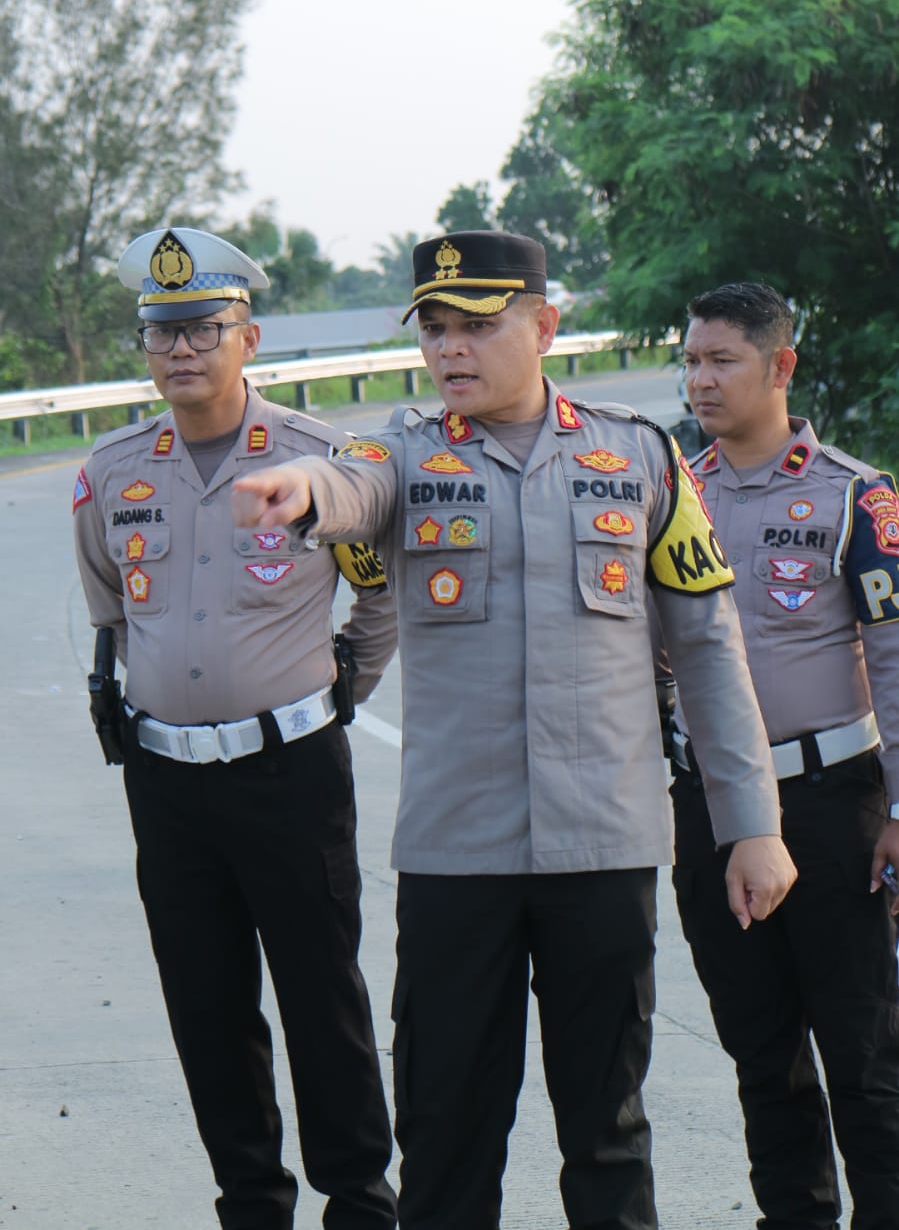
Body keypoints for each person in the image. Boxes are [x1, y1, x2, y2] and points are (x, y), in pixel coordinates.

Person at [231, 229, 797, 1230]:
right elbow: (347, 487)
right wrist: (302, 492)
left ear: (543, 325)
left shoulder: (638, 456)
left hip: (604, 847)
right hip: (458, 860)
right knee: (446, 1136)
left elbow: (707, 649)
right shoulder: (398, 453)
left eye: (477, 326)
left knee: (607, 1134)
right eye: (436, 329)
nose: (450, 349)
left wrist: (749, 823)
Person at [72, 225, 398, 1230]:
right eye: (161, 331)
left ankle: (357, 1200)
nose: (181, 350)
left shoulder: (315, 458)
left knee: (321, 1000)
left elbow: (378, 600)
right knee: (206, 1008)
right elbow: (111, 614)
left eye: (203, 328)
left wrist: (342, 682)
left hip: (290, 771)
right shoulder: (113, 473)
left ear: (245, 336)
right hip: (167, 785)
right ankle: (251, 1203)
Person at [668, 280, 899, 1230]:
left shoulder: (856, 494)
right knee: (759, 1045)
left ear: (780, 366)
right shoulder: (667, 493)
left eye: (720, 359)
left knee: (864, 1048)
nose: (699, 380)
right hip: (714, 805)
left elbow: (892, 658)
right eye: (689, 360)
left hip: (831, 803)